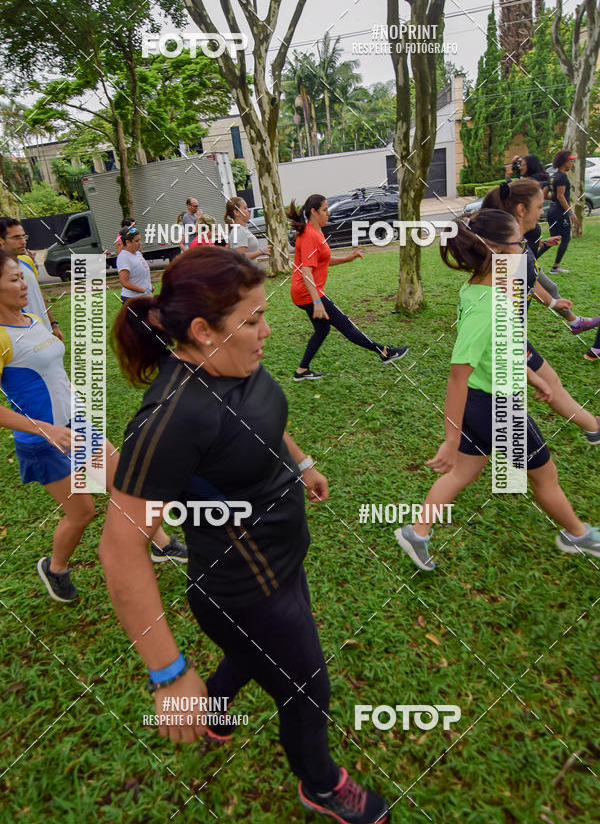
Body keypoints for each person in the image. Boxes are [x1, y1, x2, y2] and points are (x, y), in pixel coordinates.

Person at [99, 247, 390, 824]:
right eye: (252, 319)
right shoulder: (172, 419)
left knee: (252, 656)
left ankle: (215, 711)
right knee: (306, 689)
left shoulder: (239, 361)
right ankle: (322, 783)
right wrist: (168, 673)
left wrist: (303, 462)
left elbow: (265, 422)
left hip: (282, 557)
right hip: (244, 587)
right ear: (203, 331)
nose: (266, 329)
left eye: (262, 313)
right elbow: (121, 546)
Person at [394, 211, 600, 572]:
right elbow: (458, 375)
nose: (525, 248)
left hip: (481, 402)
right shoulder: (489, 305)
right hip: (495, 408)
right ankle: (577, 535)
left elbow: (499, 346)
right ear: (496, 250)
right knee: (545, 476)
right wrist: (449, 437)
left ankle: (417, 532)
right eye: (519, 243)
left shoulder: (477, 287)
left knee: (462, 473)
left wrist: (531, 376)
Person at [0, 248, 118, 601]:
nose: (24, 284)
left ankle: (160, 545)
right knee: (82, 513)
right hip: (44, 442)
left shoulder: (31, 320)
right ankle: (55, 569)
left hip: (76, 425)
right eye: (14, 279)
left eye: (22, 276)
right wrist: (44, 428)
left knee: (124, 483)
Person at [288, 194, 408, 381]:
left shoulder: (313, 231)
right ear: (313, 212)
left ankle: (301, 371)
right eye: (324, 210)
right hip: (307, 292)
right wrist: (317, 301)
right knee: (346, 325)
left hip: (304, 292)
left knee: (322, 330)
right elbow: (307, 272)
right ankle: (384, 352)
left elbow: (322, 261)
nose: (328, 213)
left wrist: (347, 258)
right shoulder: (311, 235)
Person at [482, 180, 600, 339]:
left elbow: (528, 281)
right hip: (505, 340)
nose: (541, 213)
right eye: (538, 207)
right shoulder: (509, 251)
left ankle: (575, 322)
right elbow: (506, 306)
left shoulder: (518, 244)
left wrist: (553, 302)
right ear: (522, 210)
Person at [0, 216, 64, 342]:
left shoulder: (26, 263)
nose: (23, 241)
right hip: (24, 337)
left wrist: (53, 324)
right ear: (1, 240)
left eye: (24, 236)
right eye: (16, 237)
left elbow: (38, 294)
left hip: (45, 330)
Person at [539, 149, 579, 274]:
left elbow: (546, 195)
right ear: (564, 162)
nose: (571, 164)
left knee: (553, 239)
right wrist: (571, 212)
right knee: (565, 239)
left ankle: (531, 259)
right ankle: (555, 267)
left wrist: (556, 198)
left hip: (552, 210)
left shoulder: (553, 176)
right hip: (560, 213)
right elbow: (561, 196)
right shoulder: (562, 177)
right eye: (570, 161)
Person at [117, 222, 153, 304]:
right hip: (132, 299)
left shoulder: (138, 253)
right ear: (128, 242)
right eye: (136, 241)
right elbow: (124, 282)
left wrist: (149, 287)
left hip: (143, 296)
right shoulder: (124, 257)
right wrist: (145, 291)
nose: (140, 243)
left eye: (140, 240)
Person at [225, 196, 270, 262]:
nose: (249, 210)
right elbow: (240, 257)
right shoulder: (239, 230)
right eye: (245, 208)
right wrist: (261, 252)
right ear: (236, 212)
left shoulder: (240, 229)